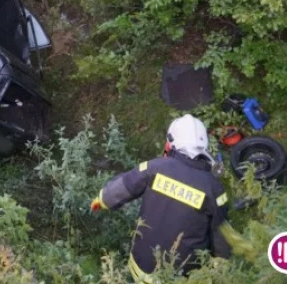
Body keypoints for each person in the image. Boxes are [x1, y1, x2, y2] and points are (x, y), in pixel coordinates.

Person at [91, 115, 231, 281]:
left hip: (141, 268)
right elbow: (221, 236)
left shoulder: (154, 167)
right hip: (179, 277)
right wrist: (219, 269)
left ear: (171, 143)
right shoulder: (215, 189)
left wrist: (101, 200)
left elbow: (122, 187)